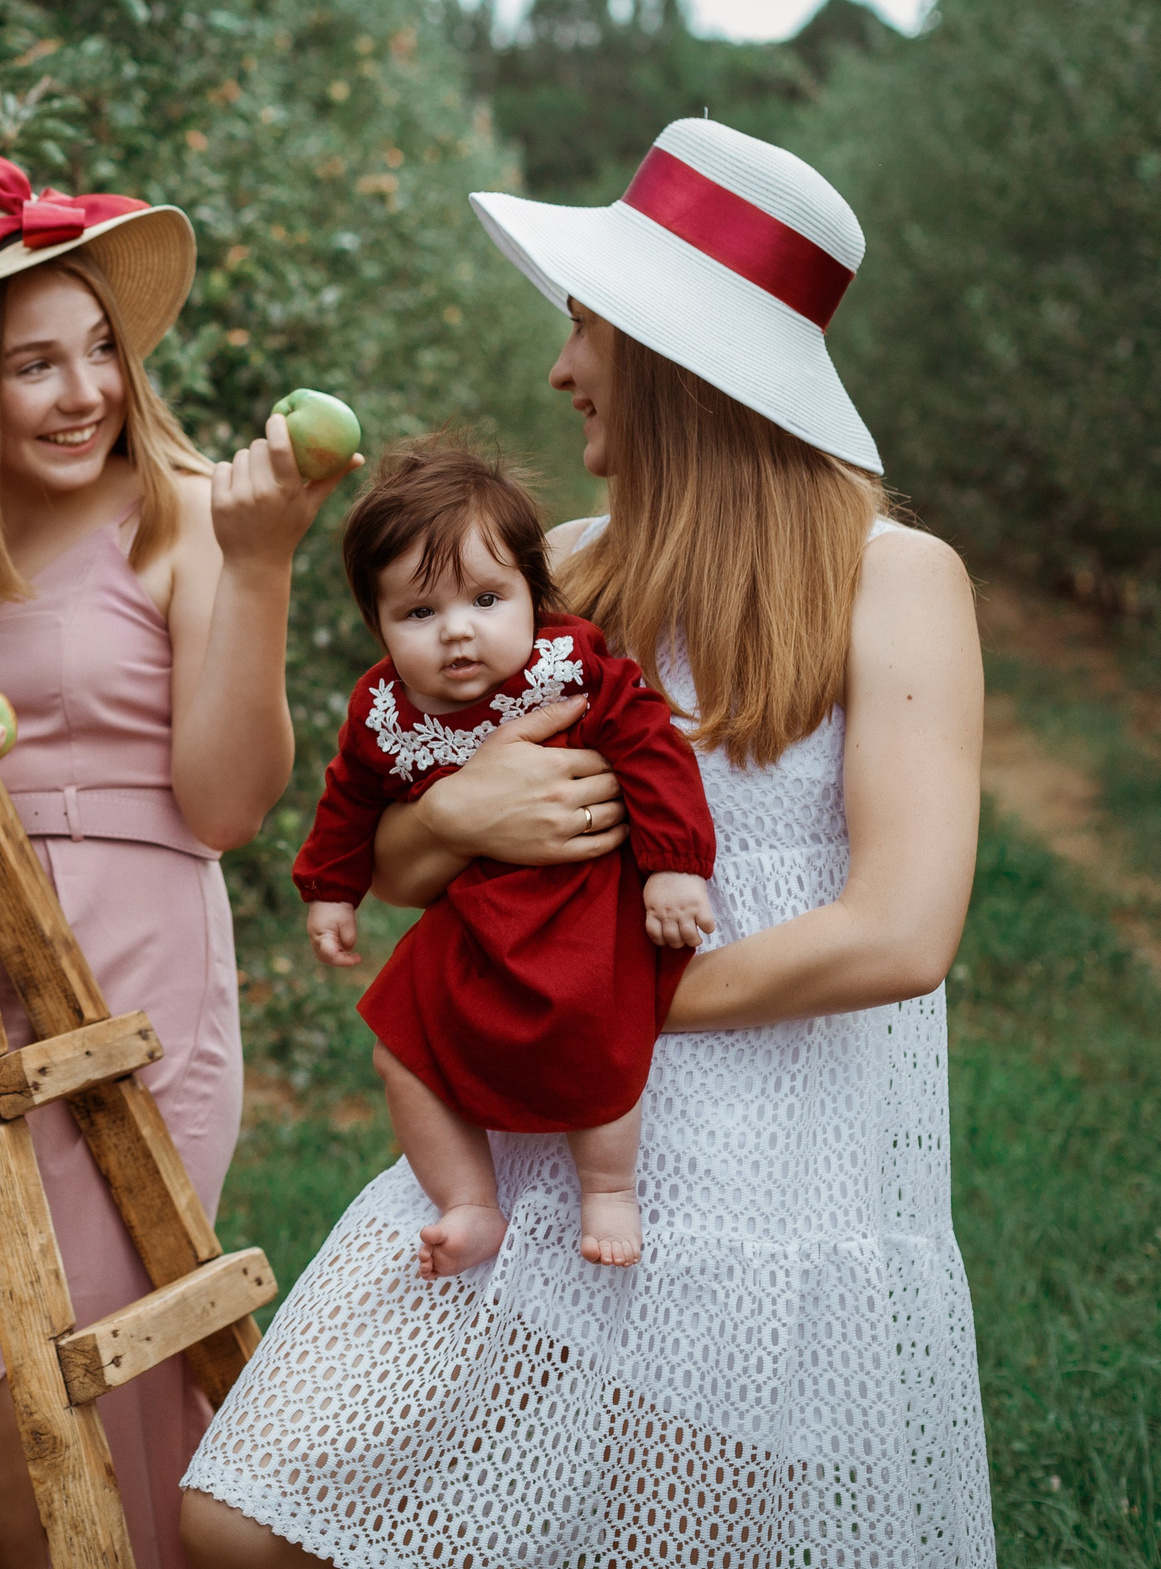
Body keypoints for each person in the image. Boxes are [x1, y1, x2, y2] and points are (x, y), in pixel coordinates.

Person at [180, 118, 995, 1566]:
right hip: (531, 1134)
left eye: (584, 330)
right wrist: (448, 817)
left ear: (677, 362)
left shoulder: (892, 582)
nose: (560, 371)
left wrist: (604, 999)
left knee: (650, 1539)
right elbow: (414, 861)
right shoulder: (561, 573)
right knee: (245, 1512)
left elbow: (899, 929)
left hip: (760, 1177)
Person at [0, 153, 356, 1569]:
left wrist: (265, 566)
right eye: (33, 366)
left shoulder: (176, 513)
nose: (87, 393)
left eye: (101, 352)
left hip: (132, 1005)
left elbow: (229, 804)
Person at [292, 438, 715, 1276]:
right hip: (471, 920)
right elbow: (350, 797)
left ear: (532, 590)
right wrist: (329, 890)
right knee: (398, 1044)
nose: (458, 631)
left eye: (487, 598)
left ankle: (608, 1186)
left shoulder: (569, 669)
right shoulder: (385, 710)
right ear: (375, 623)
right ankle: (468, 1201)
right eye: (418, 613)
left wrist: (675, 862)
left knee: (598, 1031)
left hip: (578, 906)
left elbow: (653, 747)